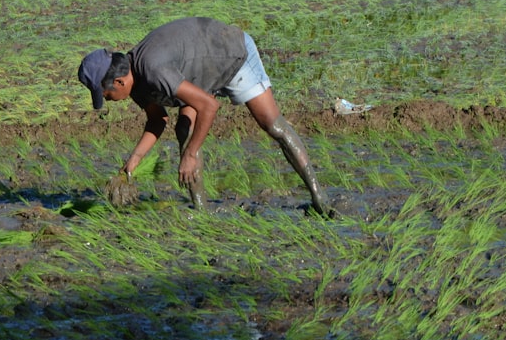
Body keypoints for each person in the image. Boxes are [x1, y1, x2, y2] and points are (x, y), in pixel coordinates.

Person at [78, 16, 332, 216]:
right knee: (184, 132)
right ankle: (202, 212)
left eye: (107, 96)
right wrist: (133, 160)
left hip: (231, 53)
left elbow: (209, 106)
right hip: (197, 72)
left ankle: (319, 198)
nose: (110, 101)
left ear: (119, 82)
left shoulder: (154, 70)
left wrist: (190, 154)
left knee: (272, 125)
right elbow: (158, 121)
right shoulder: (136, 81)